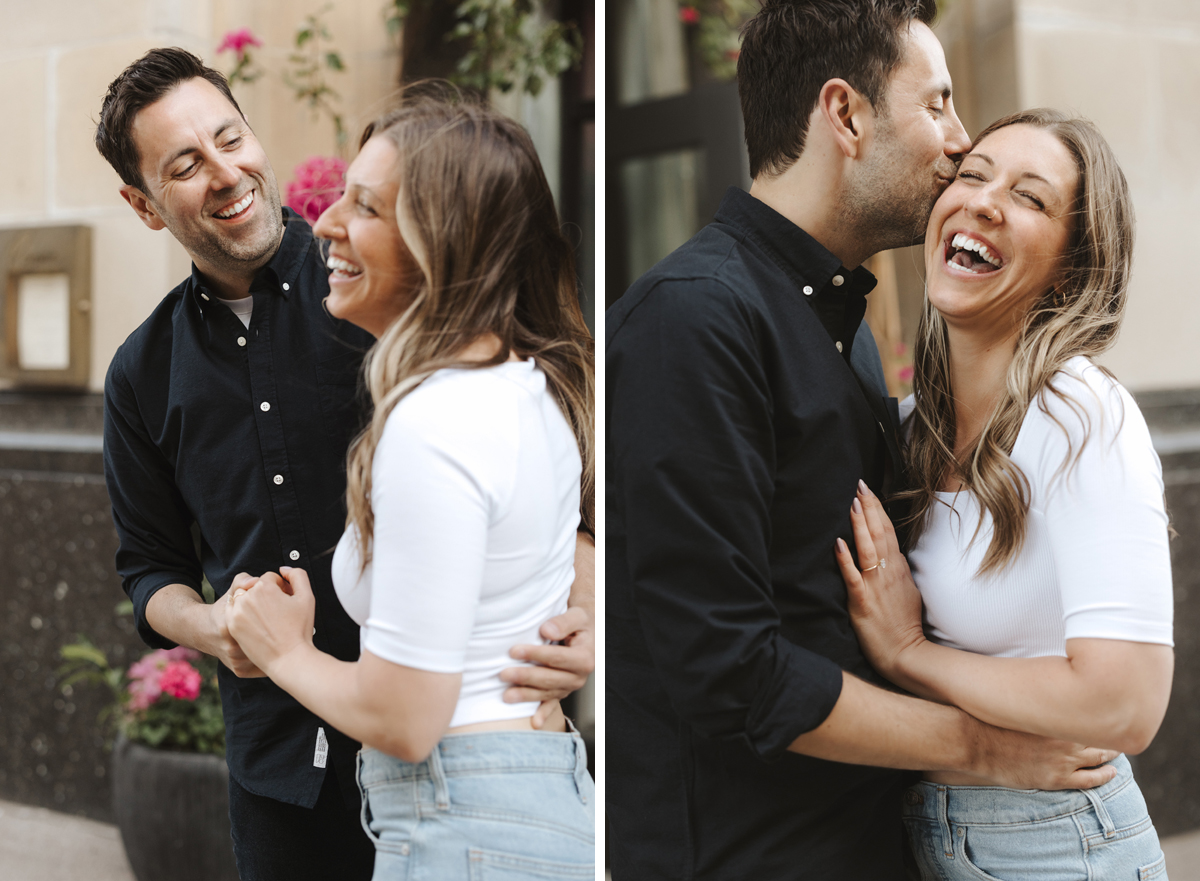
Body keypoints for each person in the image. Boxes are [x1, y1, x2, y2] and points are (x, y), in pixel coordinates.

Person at [606, 2, 1122, 879]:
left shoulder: (834, 320)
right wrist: (988, 748)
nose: (959, 142)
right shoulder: (693, 318)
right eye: (939, 105)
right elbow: (732, 670)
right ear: (845, 114)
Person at [96, 49, 595, 881]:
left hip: (448, 761)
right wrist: (215, 628)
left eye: (230, 138)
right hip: (280, 770)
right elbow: (150, 570)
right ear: (143, 205)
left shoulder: (386, 299)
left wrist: (584, 605)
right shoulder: (139, 373)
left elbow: (547, 483)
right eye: (185, 165)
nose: (226, 173)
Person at [836, 109, 1172, 880]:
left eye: (1031, 197)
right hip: (931, 833)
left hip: (1057, 843)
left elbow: (1126, 703)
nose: (983, 200)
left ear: (1071, 264)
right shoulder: (910, 423)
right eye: (973, 175)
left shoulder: (1080, 413)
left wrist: (911, 654)